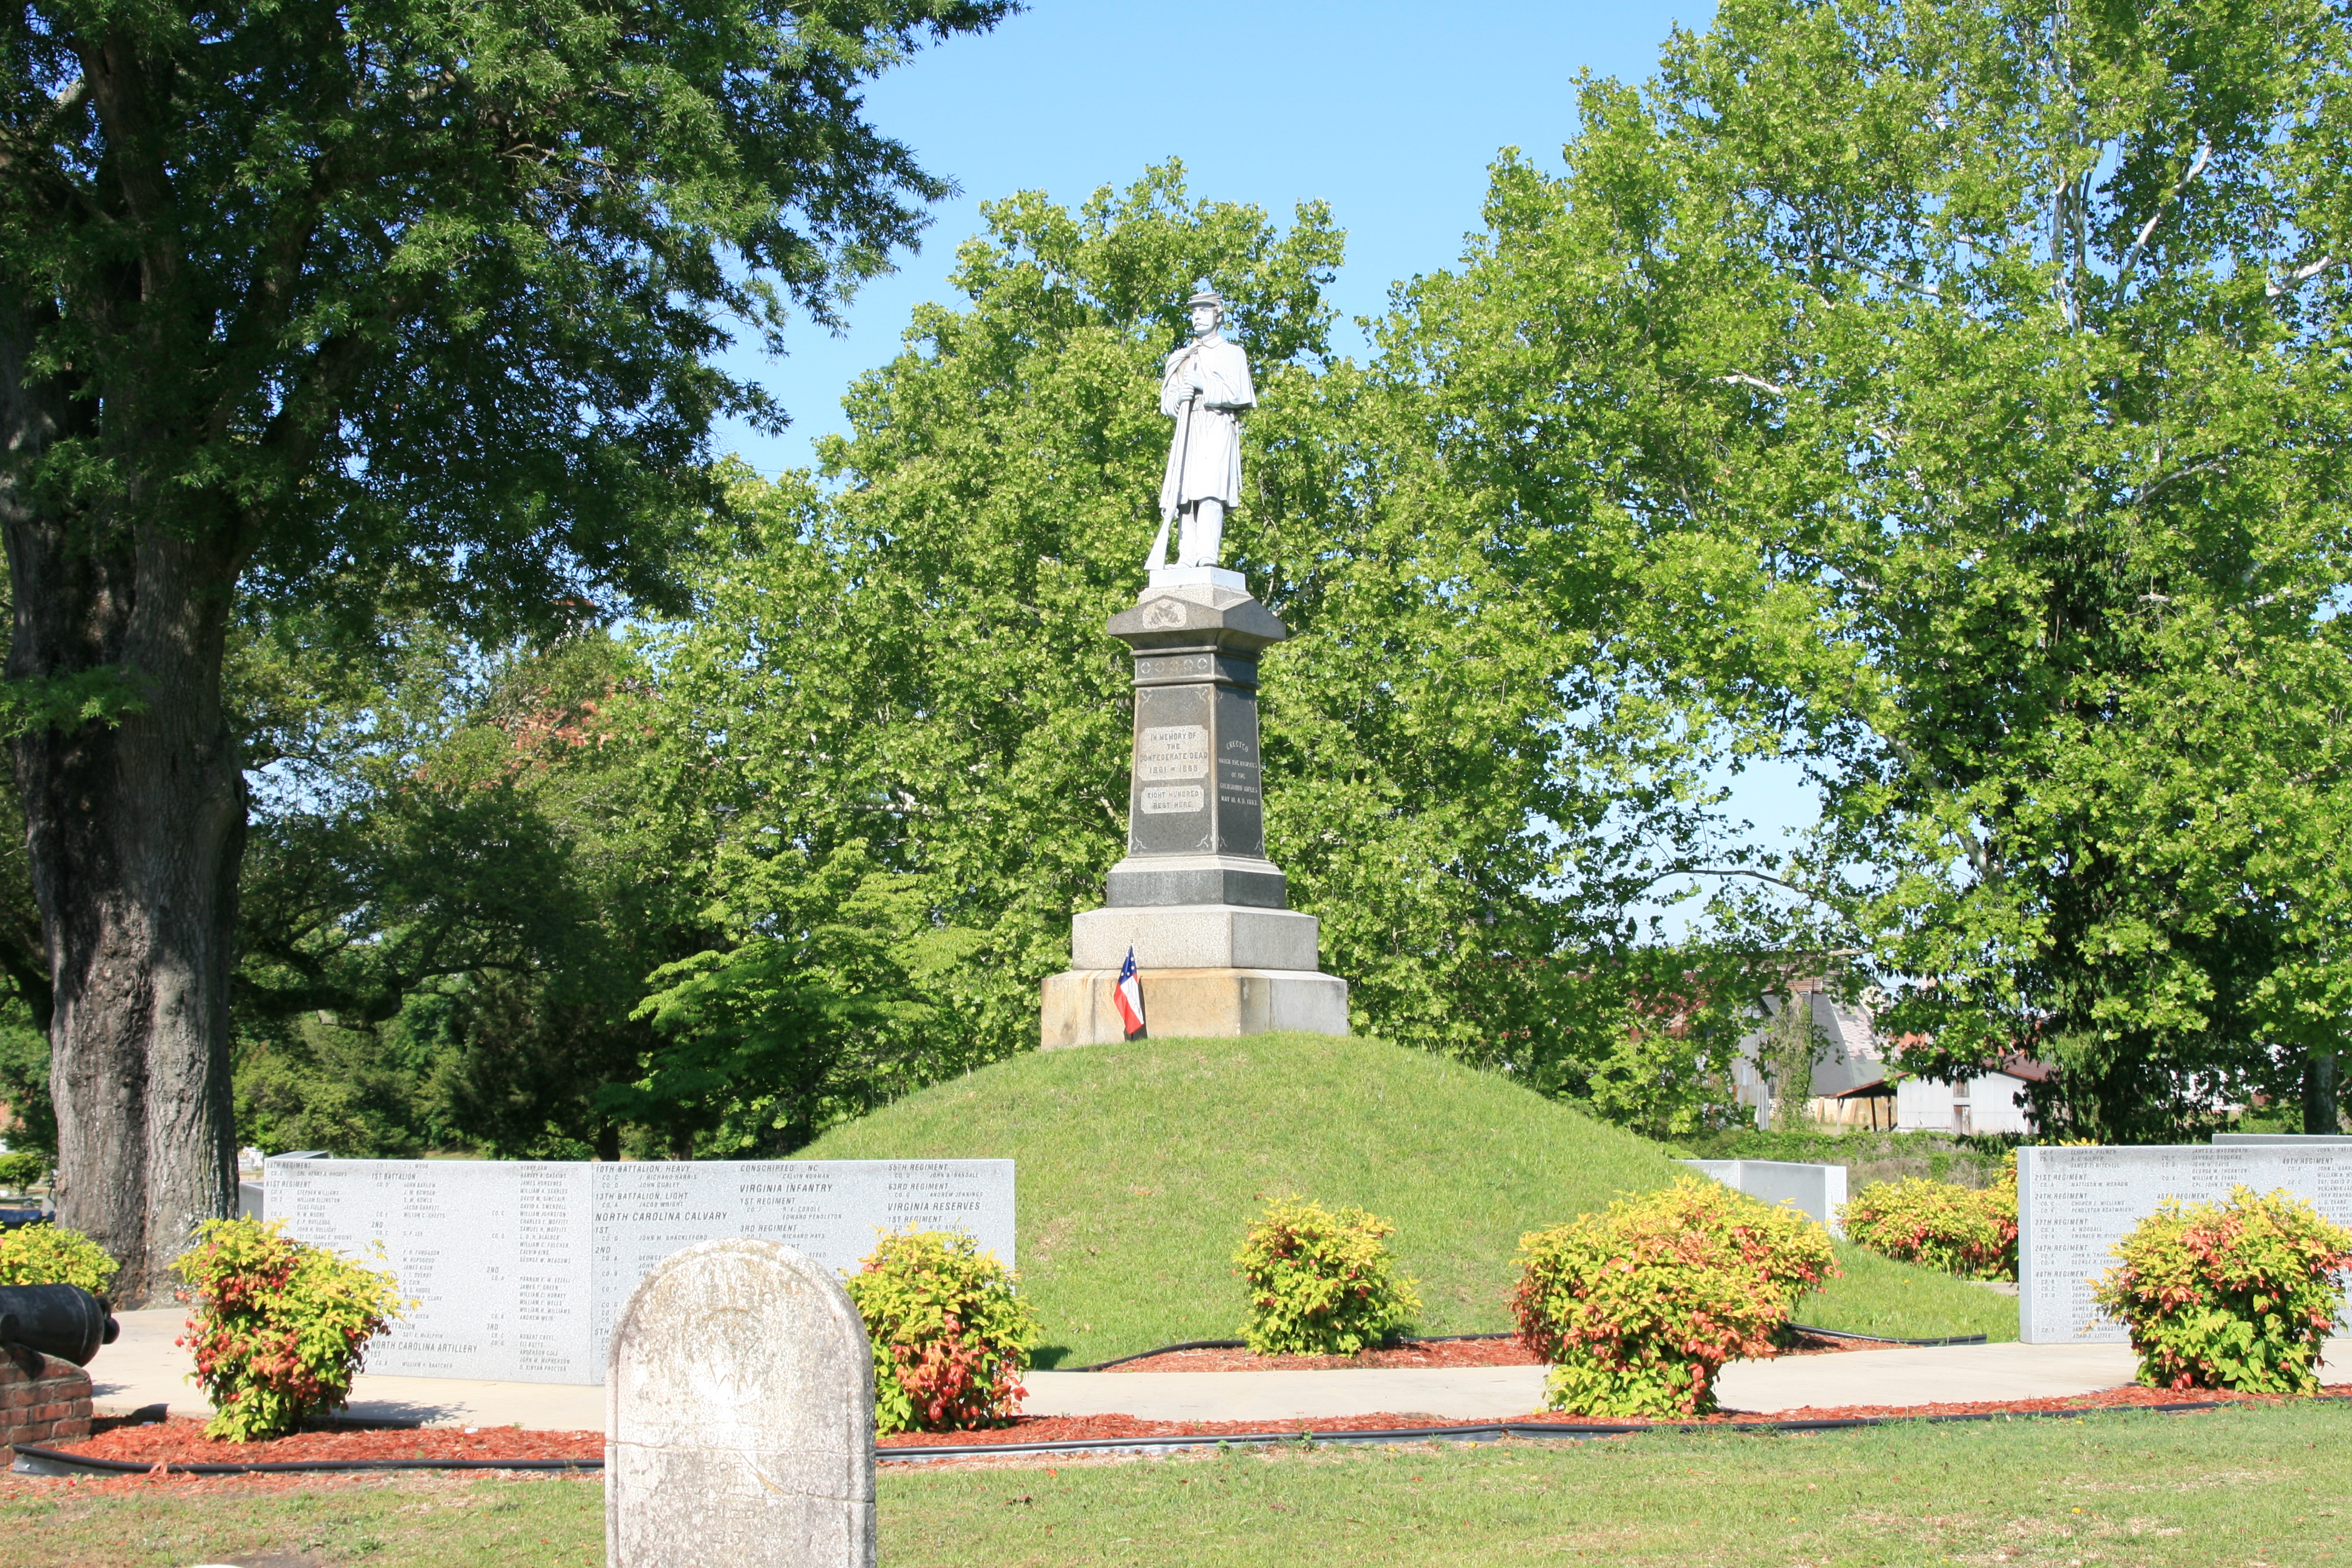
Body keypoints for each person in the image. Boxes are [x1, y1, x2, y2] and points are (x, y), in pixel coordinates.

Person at [1154, 281, 1255, 569]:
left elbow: (1240, 394)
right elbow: (1167, 402)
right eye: (1194, 311)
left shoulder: (1232, 353)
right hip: (1188, 425)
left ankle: (1207, 554)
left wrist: (1204, 385)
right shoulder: (1181, 357)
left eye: (1204, 310)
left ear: (1217, 314)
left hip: (1217, 423)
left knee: (1210, 492)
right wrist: (1179, 399)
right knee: (1183, 494)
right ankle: (1185, 556)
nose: (1198, 315)